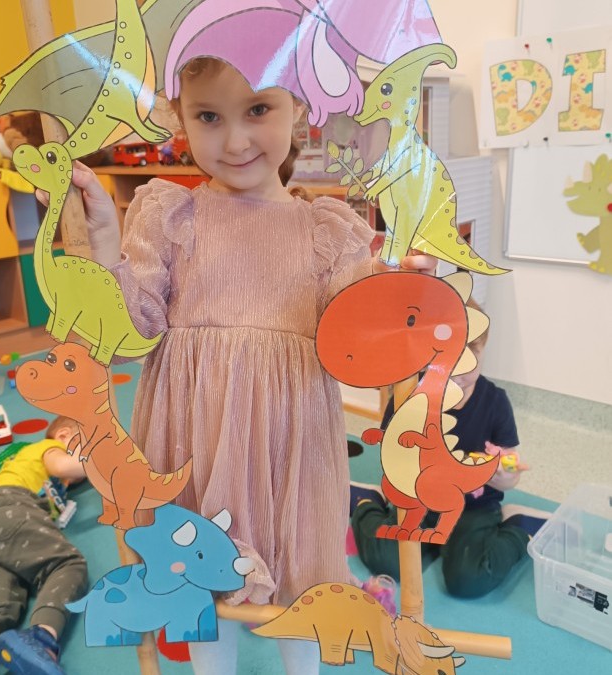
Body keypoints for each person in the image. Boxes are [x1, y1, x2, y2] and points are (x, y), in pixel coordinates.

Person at [61, 57, 436, 675]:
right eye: (209, 116)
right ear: (180, 118)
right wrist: (104, 242)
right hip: (193, 435)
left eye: (258, 109)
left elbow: (359, 345)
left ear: (298, 108)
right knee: (200, 574)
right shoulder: (170, 216)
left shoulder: (329, 231)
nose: (235, 141)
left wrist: (403, 294)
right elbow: (129, 333)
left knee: (303, 575)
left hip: (293, 441)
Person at [350, 299, 551, 599]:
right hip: (419, 498)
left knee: (468, 581)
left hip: (473, 507)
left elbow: (510, 468)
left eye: (472, 354)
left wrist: (502, 475)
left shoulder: (495, 402)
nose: (460, 368)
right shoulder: (408, 396)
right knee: (388, 561)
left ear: (483, 350)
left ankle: (518, 526)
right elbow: (392, 457)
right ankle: (367, 502)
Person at [0, 416, 88, 675]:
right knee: (66, 564)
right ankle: (40, 639)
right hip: (9, 507)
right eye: (89, 448)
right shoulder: (48, 448)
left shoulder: (28, 467)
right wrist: (103, 464)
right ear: (64, 435)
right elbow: (63, 466)